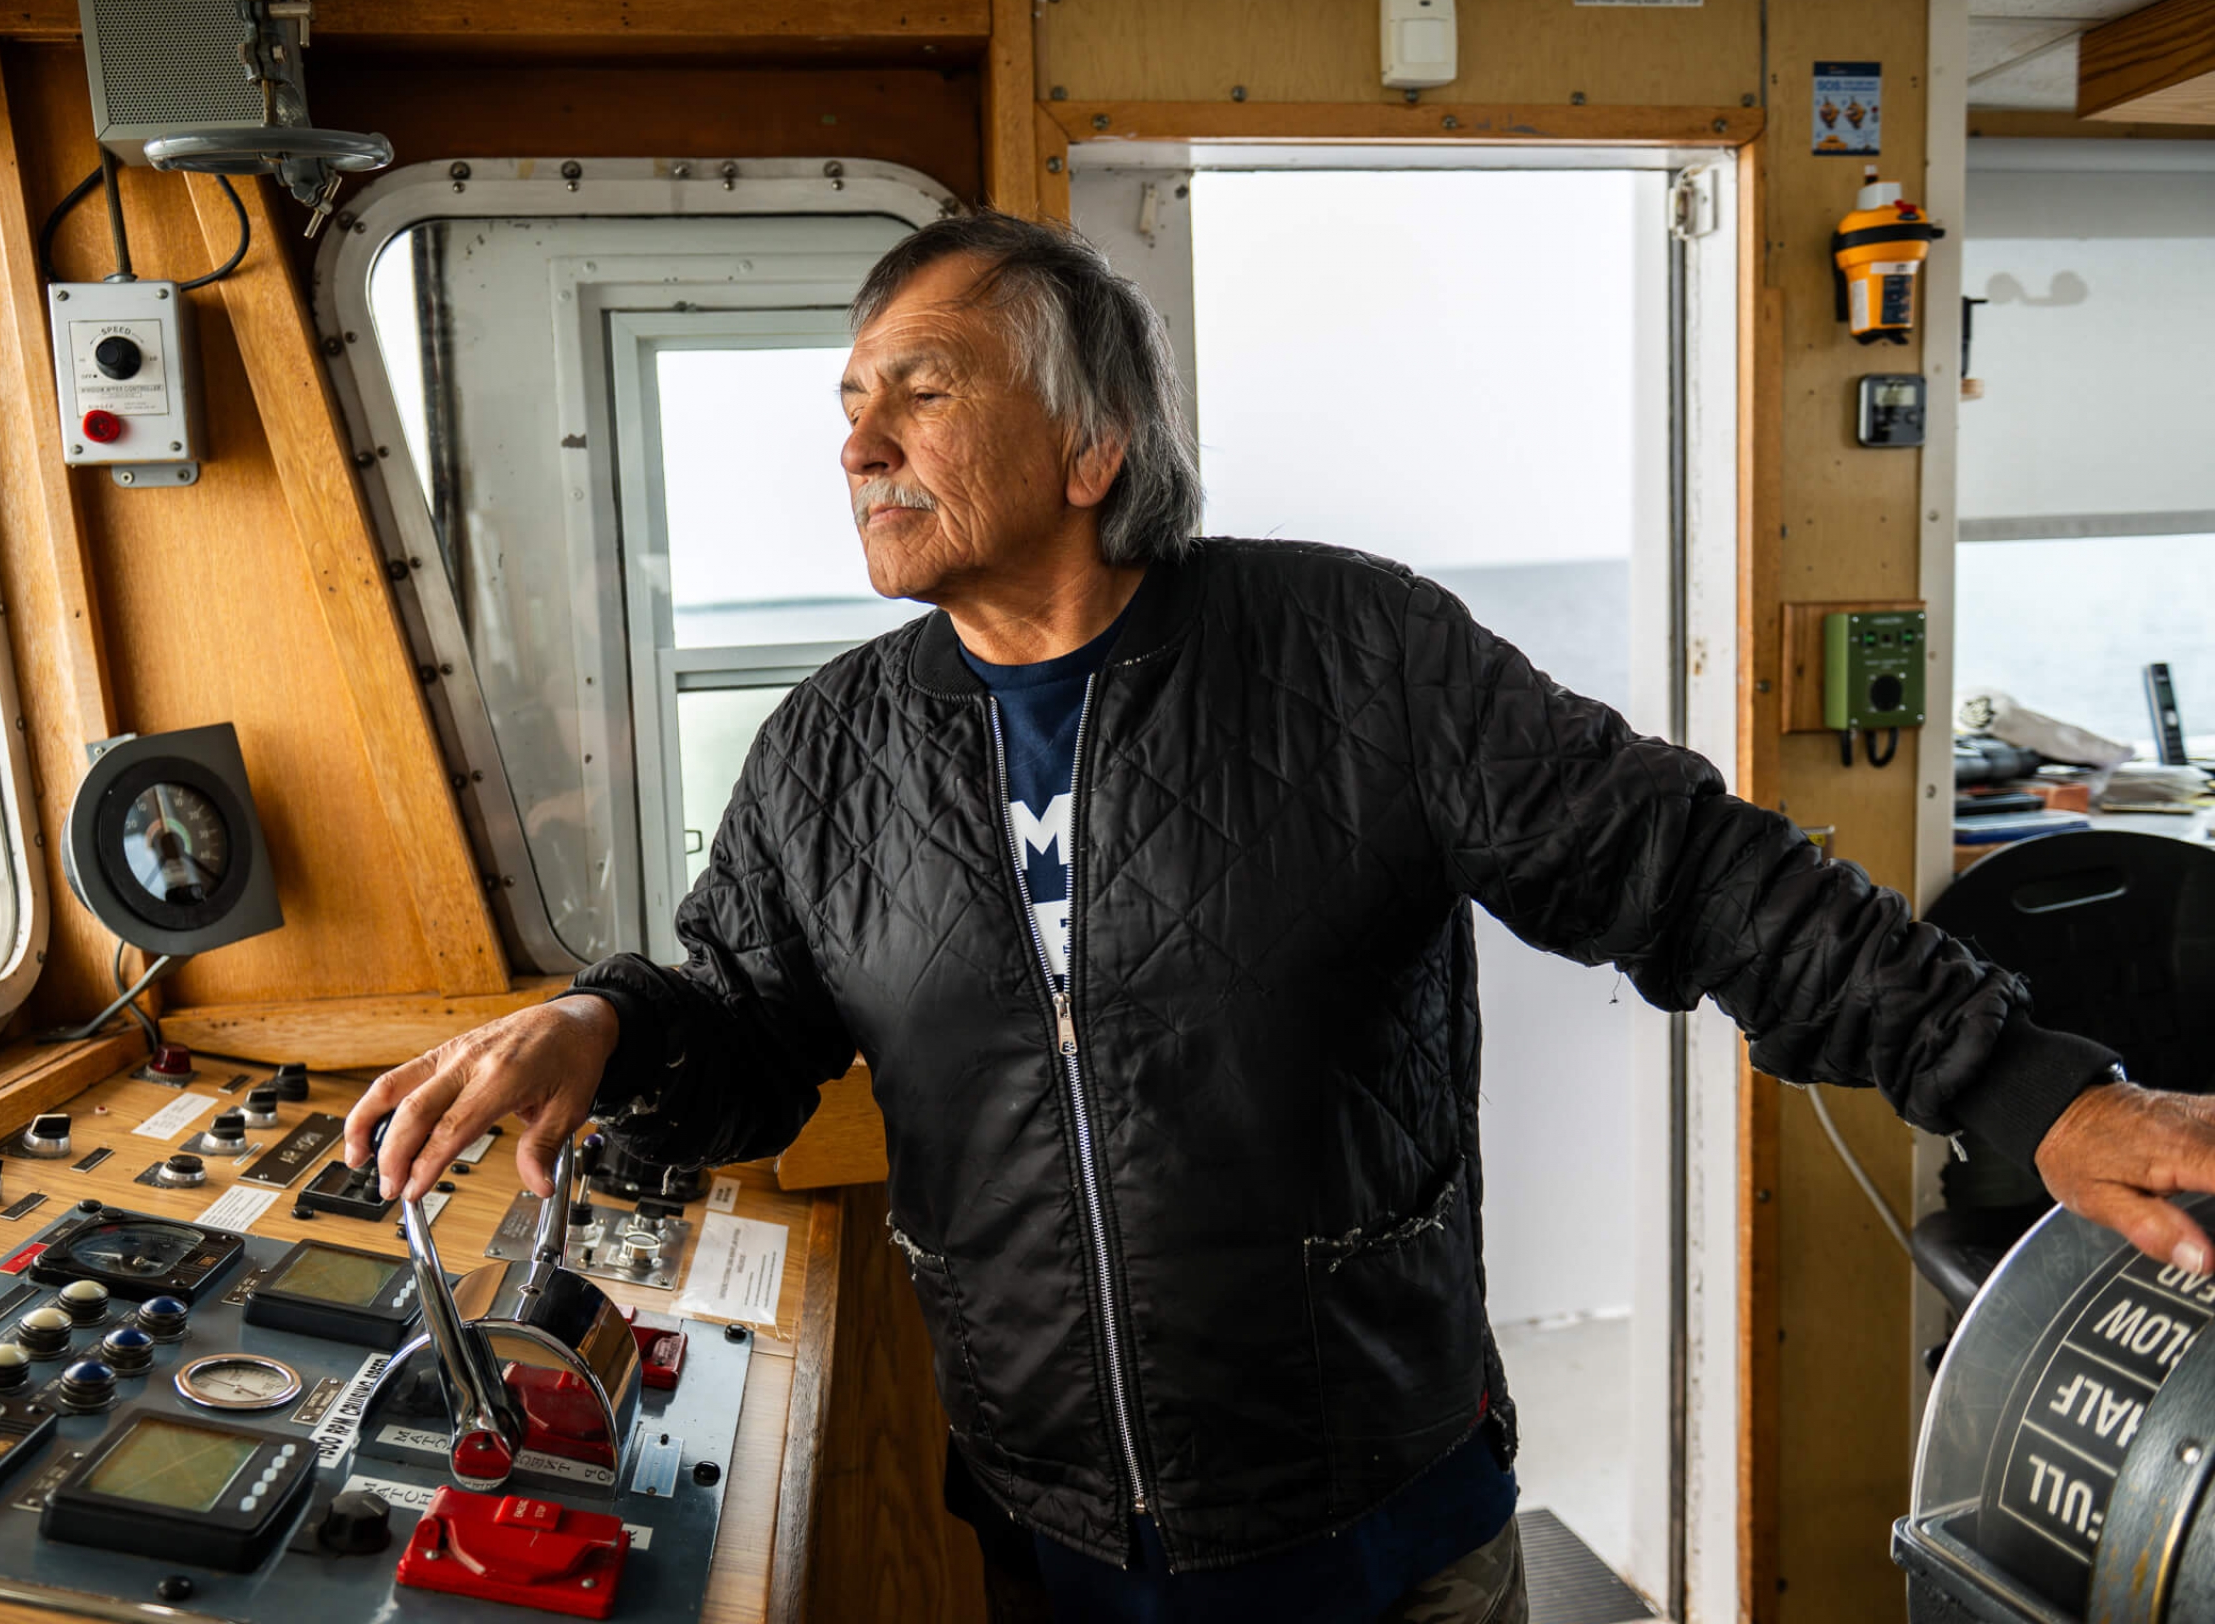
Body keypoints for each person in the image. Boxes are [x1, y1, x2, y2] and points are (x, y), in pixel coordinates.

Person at [348, 212, 2215, 1623]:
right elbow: (746, 1026)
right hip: (1055, 1536)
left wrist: (2023, 1088)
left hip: (1375, 1525)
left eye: (922, 388)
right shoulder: (829, 753)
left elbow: (1692, 869)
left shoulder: (1354, 655)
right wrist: (604, 1026)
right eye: (851, 404)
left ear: (1094, 446)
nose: (860, 442)